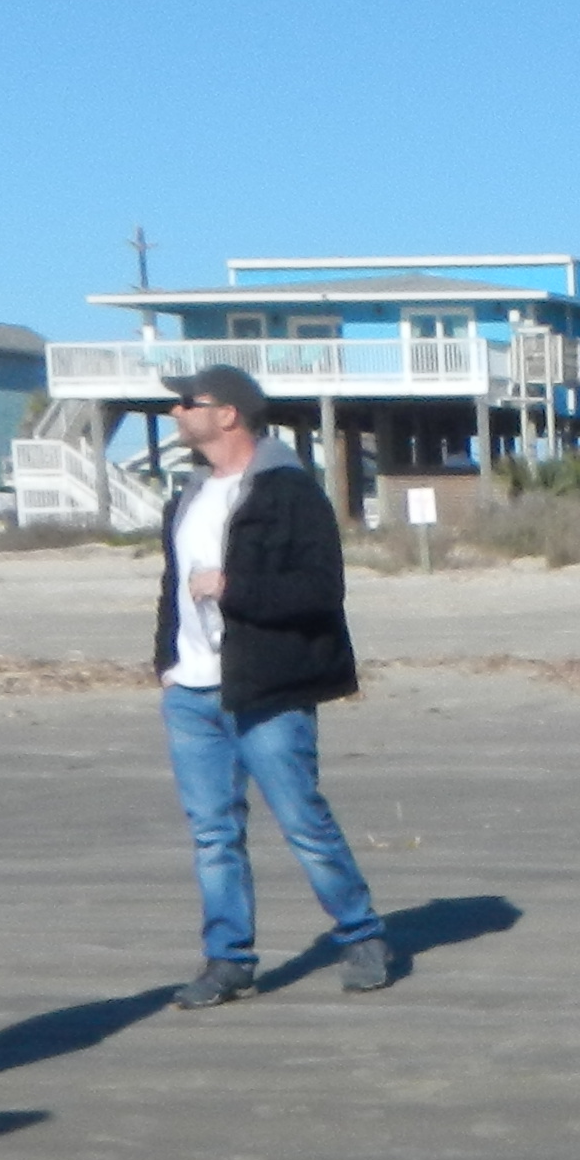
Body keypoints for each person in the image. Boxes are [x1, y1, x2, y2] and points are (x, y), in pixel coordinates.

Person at [151, 366, 394, 1008]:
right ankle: (228, 960)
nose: (175, 412)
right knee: (212, 834)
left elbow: (319, 592)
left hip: (269, 687)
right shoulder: (190, 494)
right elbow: (171, 587)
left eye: (186, 403)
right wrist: (167, 664)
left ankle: (361, 933)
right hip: (192, 693)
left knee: (302, 821)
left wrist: (233, 589)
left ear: (227, 414)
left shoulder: (288, 491)